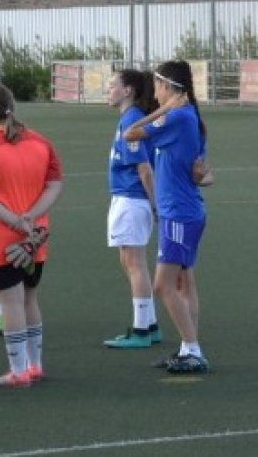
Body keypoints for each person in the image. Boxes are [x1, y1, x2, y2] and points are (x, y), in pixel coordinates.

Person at [0, 84, 62, 388]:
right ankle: (35, 366)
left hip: (1, 237)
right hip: (37, 235)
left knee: (10, 302)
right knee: (30, 296)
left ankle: (18, 371)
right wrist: (31, 219)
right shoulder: (41, 142)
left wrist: (16, 222)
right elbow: (54, 184)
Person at [123, 60, 211, 374]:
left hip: (179, 213)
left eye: (158, 86)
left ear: (169, 87)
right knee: (184, 281)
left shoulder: (177, 117)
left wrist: (164, 110)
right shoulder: (192, 119)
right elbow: (203, 171)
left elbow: (130, 133)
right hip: (186, 210)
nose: (154, 93)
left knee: (163, 286)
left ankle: (194, 350)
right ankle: (189, 347)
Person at [102, 70, 162, 349]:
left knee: (135, 263)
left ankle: (141, 330)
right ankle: (149, 323)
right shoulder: (129, 119)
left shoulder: (133, 119)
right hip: (128, 198)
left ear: (128, 91)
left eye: (112, 84)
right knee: (130, 261)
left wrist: (154, 203)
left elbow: (144, 168)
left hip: (132, 199)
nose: (107, 88)